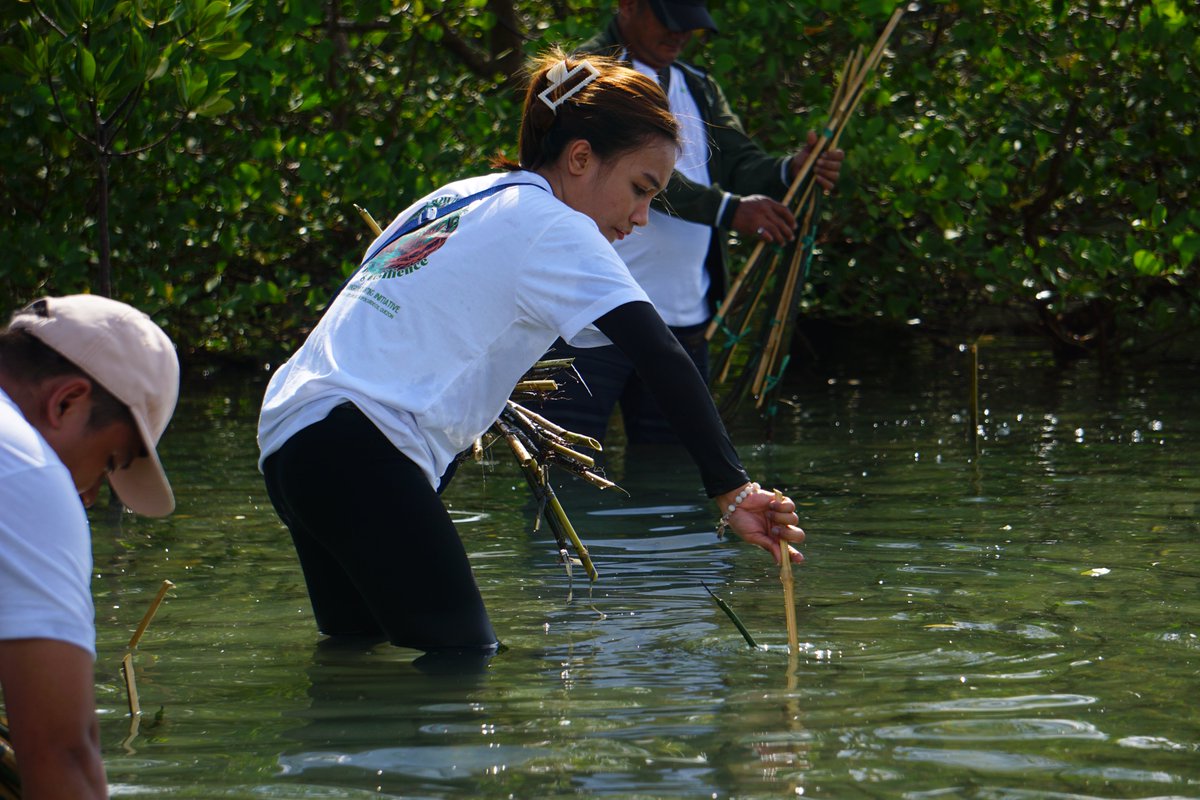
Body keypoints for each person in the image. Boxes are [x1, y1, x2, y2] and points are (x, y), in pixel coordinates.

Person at [257, 51, 806, 659]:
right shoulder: (555, 224)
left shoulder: (455, 197)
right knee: (464, 657)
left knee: (357, 646)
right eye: (640, 189)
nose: (642, 217)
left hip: (291, 435)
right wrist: (732, 488)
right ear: (579, 158)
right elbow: (661, 355)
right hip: (360, 445)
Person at [544, 0, 845, 444]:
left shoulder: (696, 84)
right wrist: (729, 210)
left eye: (688, 26)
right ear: (628, 6)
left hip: (682, 318)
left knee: (677, 476)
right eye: (668, 21)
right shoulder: (582, 76)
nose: (679, 35)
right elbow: (635, 171)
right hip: (586, 316)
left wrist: (791, 170)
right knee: (564, 466)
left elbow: (739, 160)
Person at [0, 294, 179, 800]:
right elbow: (63, 755)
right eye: (109, 462)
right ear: (66, 402)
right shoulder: (29, 471)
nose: (90, 495)